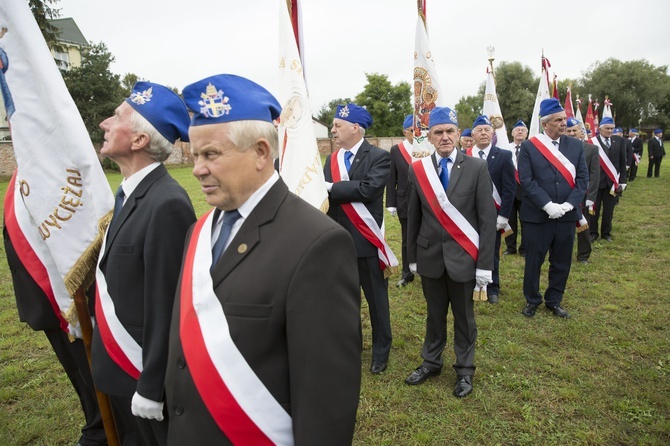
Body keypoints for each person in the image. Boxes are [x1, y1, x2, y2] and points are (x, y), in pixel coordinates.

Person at [164, 74, 361, 445]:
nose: (197, 169)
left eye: (211, 155)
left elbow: (326, 400)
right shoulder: (199, 231)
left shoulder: (318, 243)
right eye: (195, 155)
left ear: (260, 153)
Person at [91, 82, 197, 446]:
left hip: (141, 376)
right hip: (119, 369)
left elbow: (167, 305)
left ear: (138, 141)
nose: (105, 123)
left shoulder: (167, 203)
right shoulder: (130, 193)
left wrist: (152, 386)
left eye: (117, 117)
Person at [404, 106, 496, 398]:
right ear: (430, 137)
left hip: (464, 258)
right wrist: (412, 259)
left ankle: (465, 371)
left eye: (449, 131)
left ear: (459, 135)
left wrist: (484, 265)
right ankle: (431, 362)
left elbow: (487, 220)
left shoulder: (477, 168)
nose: (444, 137)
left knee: (464, 317)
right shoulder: (418, 169)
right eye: (438, 132)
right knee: (434, 315)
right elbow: (413, 217)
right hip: (430, 256)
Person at [3, 221, 106, 446]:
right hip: (45, 296)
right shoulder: (22, 184)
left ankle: (104, 430)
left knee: (90, 372)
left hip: (68, 298)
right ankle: (96, 427)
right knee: (77, 372)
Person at [323, 102, 395, 375]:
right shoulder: (331, 160)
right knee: (345, 301)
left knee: (376, 301)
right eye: (333, 126)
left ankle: (381, 351)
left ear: (355, 128)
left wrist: (331, 187)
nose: (333, 131)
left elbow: (369, 189)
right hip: (337, 241)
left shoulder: (379, 156)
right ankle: (352, 346)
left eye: (337, 126)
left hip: (366, 240)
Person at [518, 99, 588, 319]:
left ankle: (554, 300)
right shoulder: (529, 146)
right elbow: (526, 180)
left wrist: (568, 205)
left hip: (566, 216)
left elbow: (583, 179)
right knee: (534, 261)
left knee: (561, 261)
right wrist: (547, 204)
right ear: (545, 123)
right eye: (558, 120)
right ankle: (532, 299)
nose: (563, 124)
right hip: (538, 215)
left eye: (564, 119)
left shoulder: (576, 145)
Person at [469, 115, 516, 304]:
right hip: (470, 213)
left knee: (492, 250)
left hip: (495, 214)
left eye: (486, 130)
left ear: (493, 133)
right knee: (471, 248)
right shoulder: (465, 155)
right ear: (473, 134)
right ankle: (472, 282)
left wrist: (504, 215)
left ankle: (493, 287)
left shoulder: (503, 155)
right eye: (479, 130)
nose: (483, 133)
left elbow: (509, 188)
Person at [387, 114, 416, 287]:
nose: (416, 133)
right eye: (413, 130)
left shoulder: (427, 147)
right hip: (404, 200)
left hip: (426, 200)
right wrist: (391, 202)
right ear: (405, 132)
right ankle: (407, 272)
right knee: (407, 237)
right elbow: (392, 178)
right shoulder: (397, 150)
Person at [565, 118, 600, 264]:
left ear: (581, 132)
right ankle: (563, 254)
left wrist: (591, 197)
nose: (572, 133)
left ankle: (583, 255)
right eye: (569, 131)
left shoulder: (591, 149)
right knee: (564, 227)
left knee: (584, 226)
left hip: (583, 196)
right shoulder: (558, 149)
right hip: (564, 195)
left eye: (575, 130)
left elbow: (594, 174)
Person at [588, 117, 627, 242]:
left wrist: (623, 182)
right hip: (596, 183)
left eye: (612, 128)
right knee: (594, 209)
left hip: (612, 184)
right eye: (607, 128)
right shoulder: (592, 142)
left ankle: (606, 233)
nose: (610, 131)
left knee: (609, 210)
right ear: (600, 129)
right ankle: (593, 233)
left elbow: (622, 162)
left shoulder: (619, 141)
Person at [505, 119, 528, 256]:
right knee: (510, 220)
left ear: (526, 134)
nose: (520, 131)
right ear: (512, 133)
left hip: (525, 191)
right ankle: (510, 247)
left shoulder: (531, 148)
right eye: (517, 129)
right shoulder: (505, 149)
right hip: (509, 190)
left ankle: (524, 248)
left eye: (523, 130)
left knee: (525, 220)